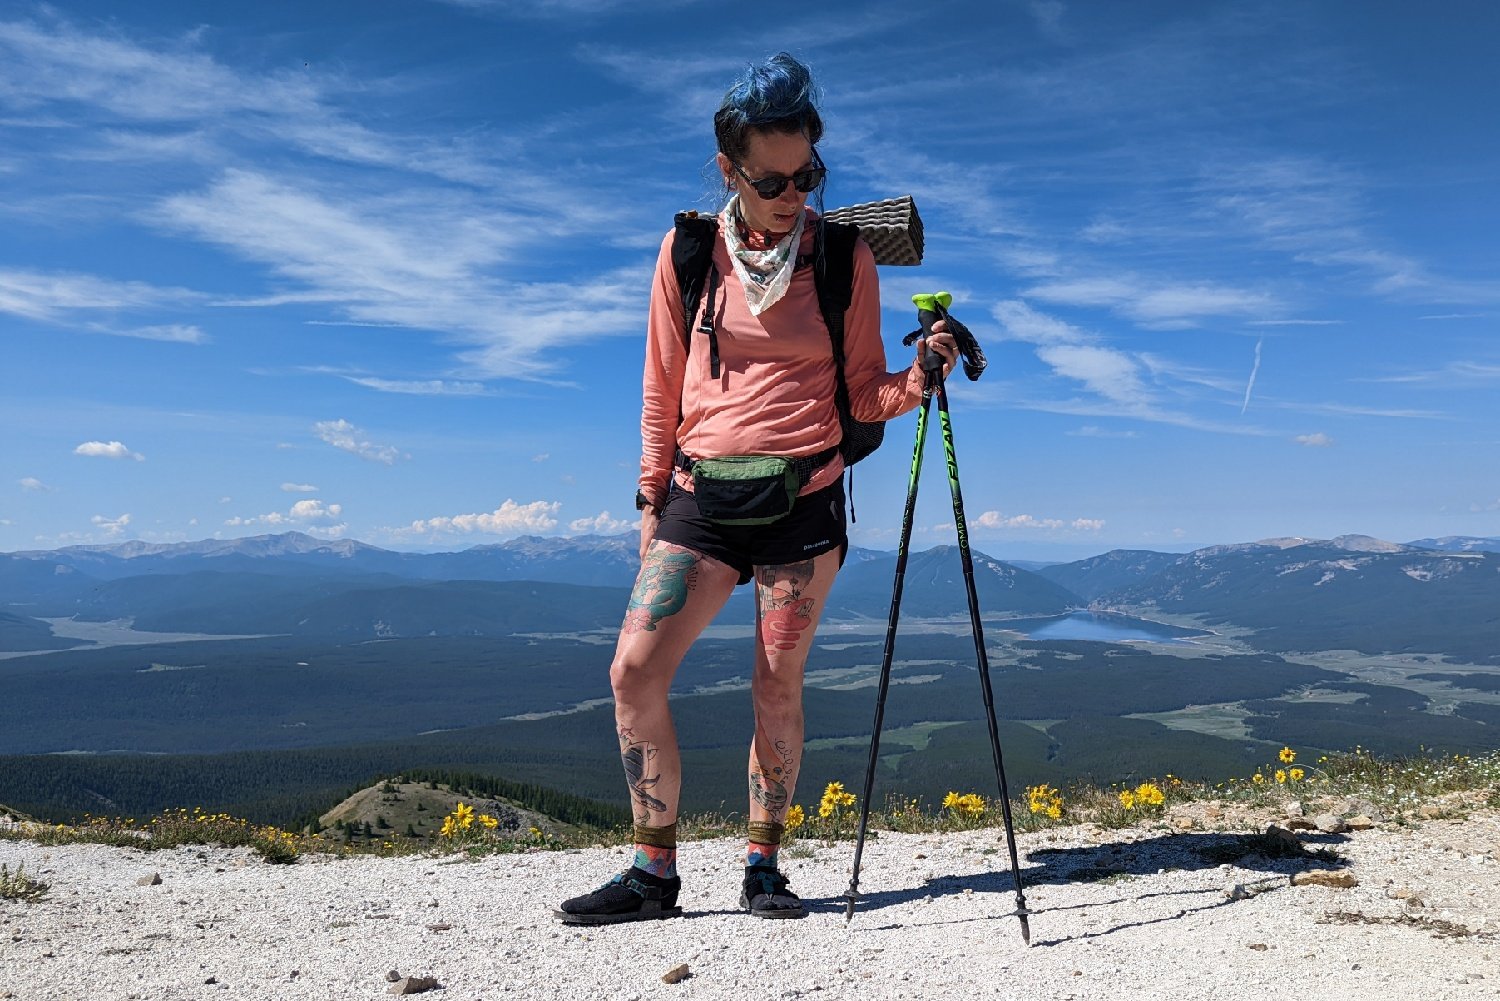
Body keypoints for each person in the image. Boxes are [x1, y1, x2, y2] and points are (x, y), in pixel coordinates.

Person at [555, 52, 956, 925]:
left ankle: (762, 867)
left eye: (809, 172)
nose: (794, 192)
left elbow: (860, 394)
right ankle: (652, 873)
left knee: (777, 684)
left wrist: (920, 374)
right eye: (773, 177)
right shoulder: (689, 251)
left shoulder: (845, 256)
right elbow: (662, 385)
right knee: (632, 671)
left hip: (803, 499)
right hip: (700, 497)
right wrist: (650, 500)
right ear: (729, 166)